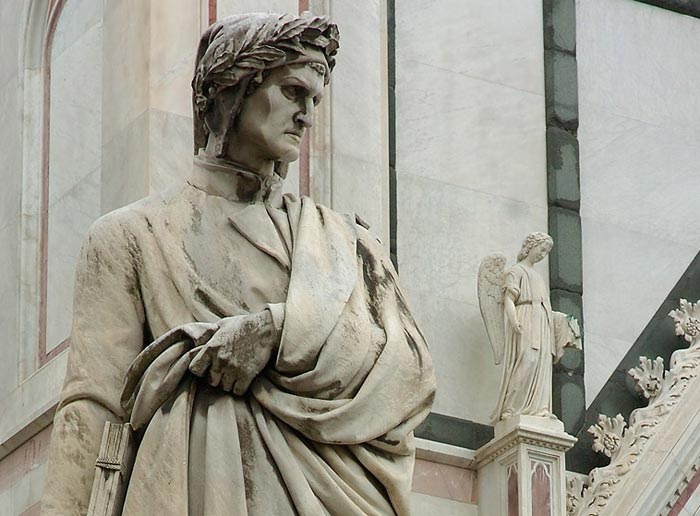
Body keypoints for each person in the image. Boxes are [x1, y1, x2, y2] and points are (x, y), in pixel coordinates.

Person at [41, 13, 435, 516]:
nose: (307, 114)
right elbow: (94, 404)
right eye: (293, 91)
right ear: (232, 90)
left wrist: (273, 332)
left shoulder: (345, 243)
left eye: (314, 99)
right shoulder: (133, 234)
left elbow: (409, 369)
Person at [491, 232, 576, 422]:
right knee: (527, 359)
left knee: (541, 362)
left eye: (545, 252)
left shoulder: (538, 277)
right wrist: (513, 320)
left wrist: (561, 321)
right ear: (531, 246)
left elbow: (544, 304)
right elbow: (509, 299)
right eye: (541, 249)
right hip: (525, 317)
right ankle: (511, 408)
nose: (542, 254)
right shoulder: (516, 271)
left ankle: (539, 408)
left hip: (542, 322)